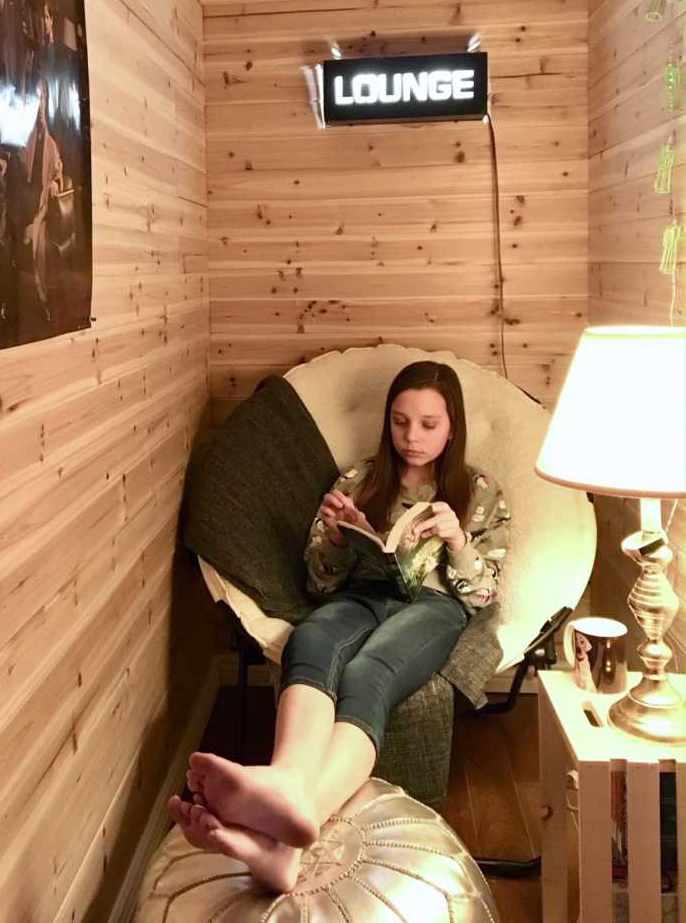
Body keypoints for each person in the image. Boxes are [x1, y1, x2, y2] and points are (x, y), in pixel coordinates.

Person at [170, 360, 512, 892]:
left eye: (428, 424)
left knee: (369, 671)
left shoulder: (479, 491)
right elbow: (318, 585)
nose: (411, 437)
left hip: (432, 606)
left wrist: (459, 542)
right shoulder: (360, 479)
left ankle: (290, 824)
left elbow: (485, 592)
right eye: (400, 422)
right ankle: (285, 787)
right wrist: (333, 537)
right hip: (362, 593)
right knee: (312, 636)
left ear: (452, 428)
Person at [19, 75, 63, 322]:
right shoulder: (22, 140)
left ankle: (43, 300)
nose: (39, 105)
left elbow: (58, 171)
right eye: (35, 98)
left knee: (41, 238)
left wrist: (55, 183)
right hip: (23, 205)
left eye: (43, 98)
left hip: (41, 208)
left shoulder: (51, 144)